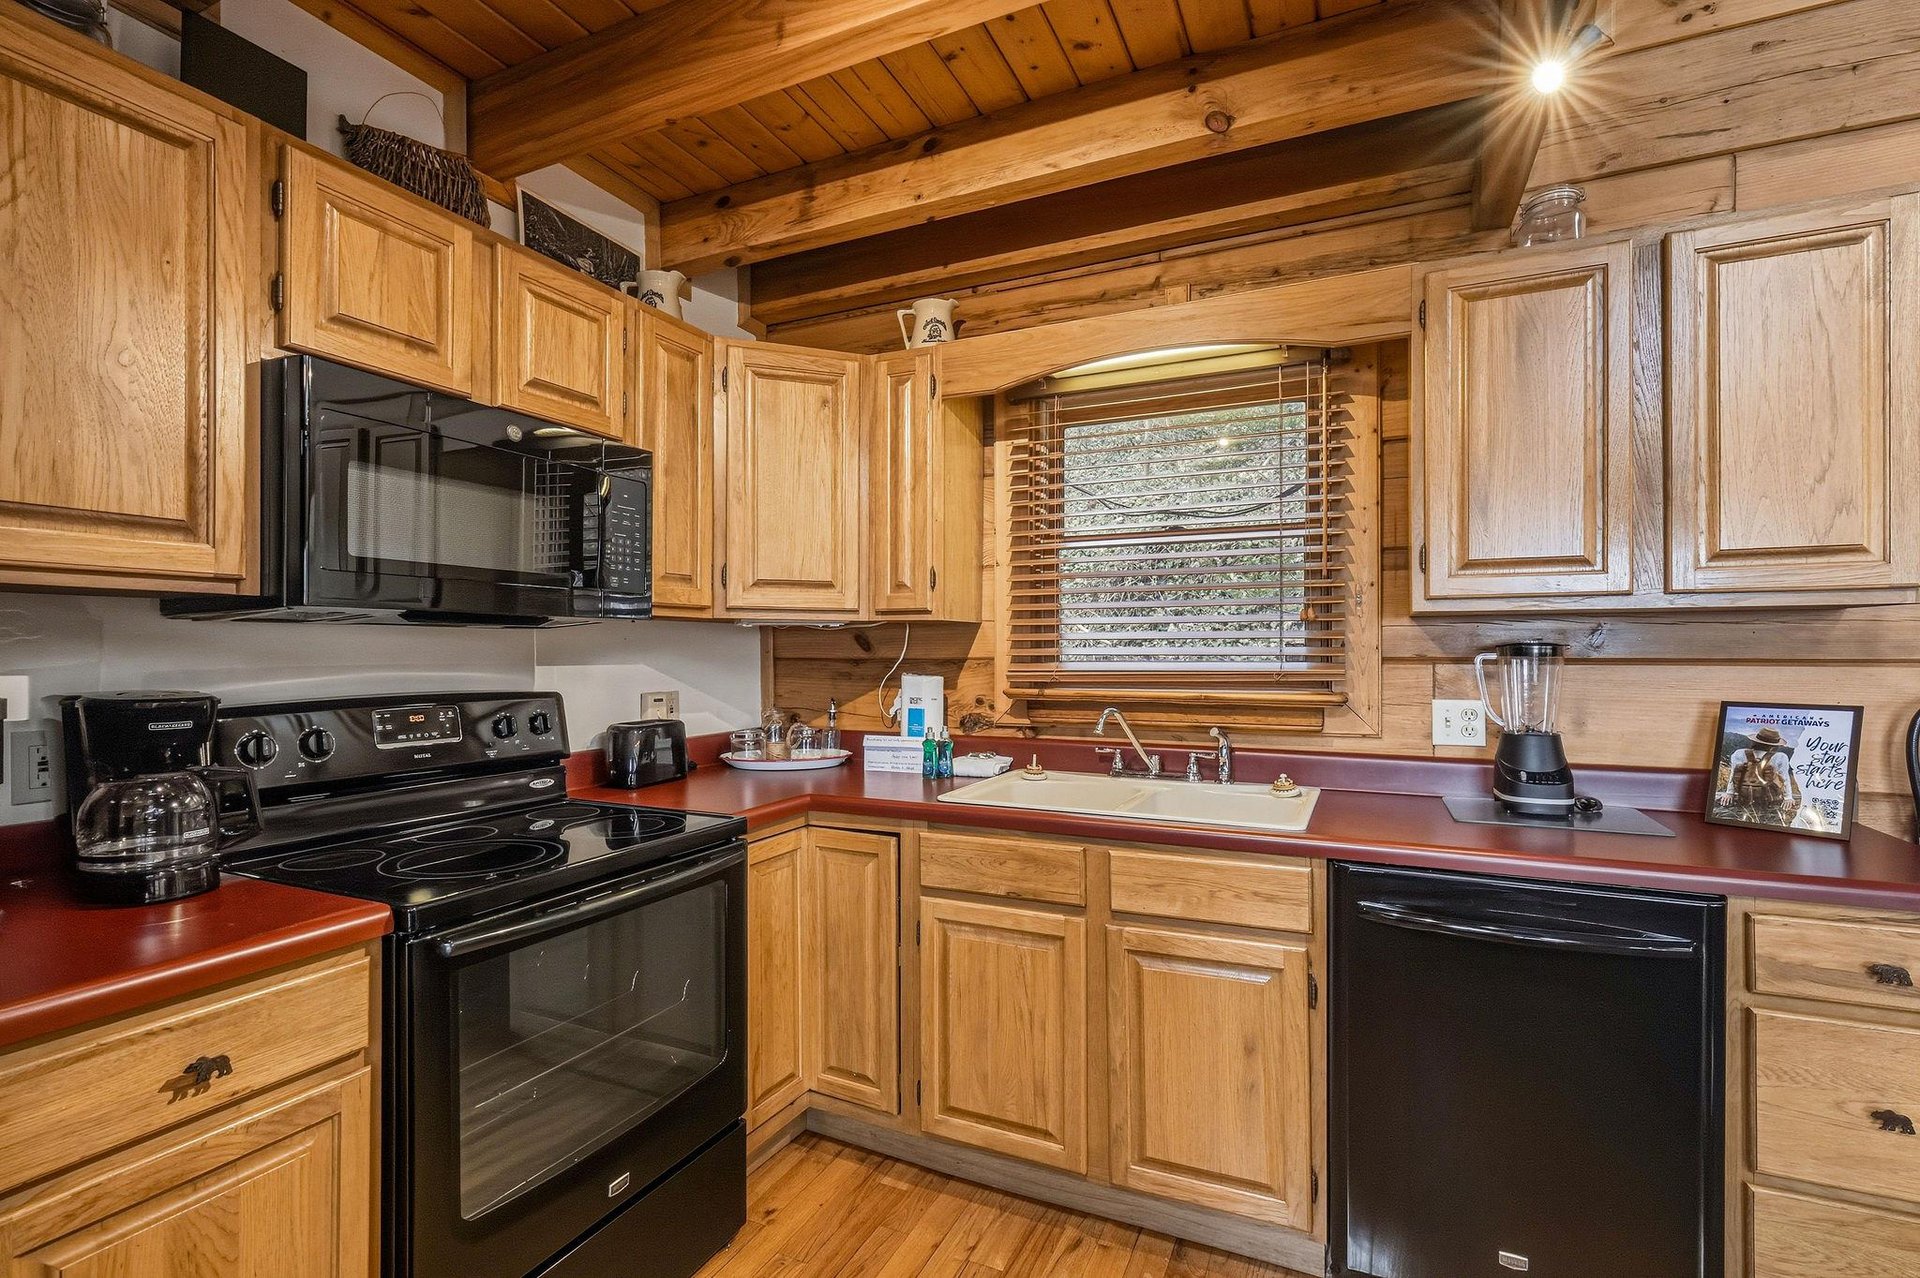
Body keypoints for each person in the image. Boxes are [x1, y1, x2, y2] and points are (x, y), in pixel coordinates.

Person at [1718, 726, 1802, 825]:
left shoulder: (1739, 754)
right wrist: (1788, 797)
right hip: (1770, 797)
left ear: (1755, 741)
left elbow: (1734, 775)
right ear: (1775, 745)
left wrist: (1729, 793)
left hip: (1744, 795)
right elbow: (1785, 778)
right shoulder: (1781, 757)